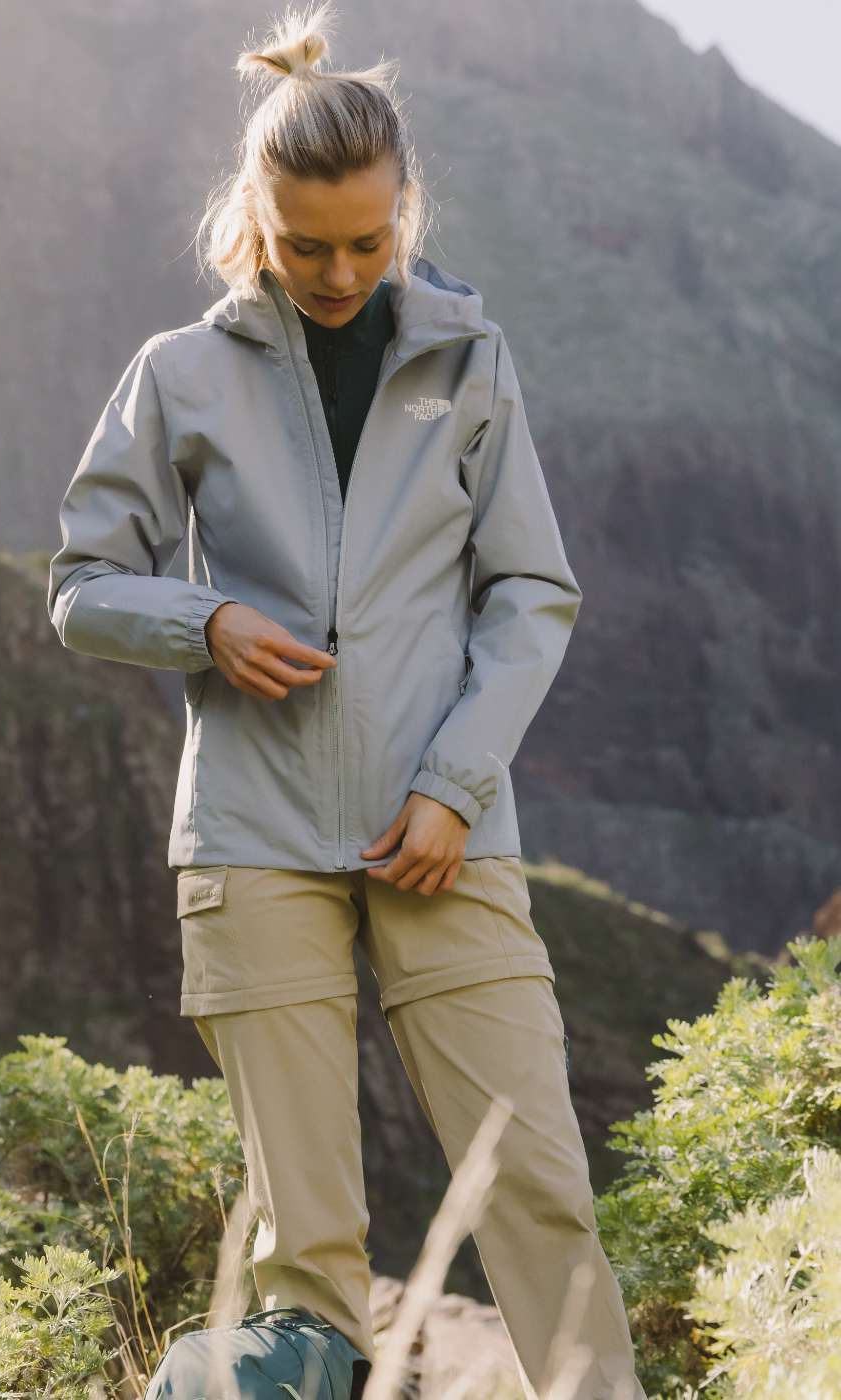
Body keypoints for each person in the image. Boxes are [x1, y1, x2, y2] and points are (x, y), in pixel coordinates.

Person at [47, 4, 647, 1396]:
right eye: (307, 242)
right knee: (305, 1263)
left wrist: (454, 787)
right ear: (258, 212)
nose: (336, 271)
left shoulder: (470, 364)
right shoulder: (177, 375)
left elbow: (530, 595)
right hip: (253, 839)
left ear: (404, 212)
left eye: (367, 242)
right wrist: (207, 620)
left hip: (444, 830)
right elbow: (83, 583)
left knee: (539, 1195)